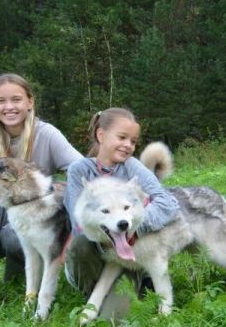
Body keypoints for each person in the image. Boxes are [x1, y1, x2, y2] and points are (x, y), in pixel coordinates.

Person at [0, 74, 82, 315]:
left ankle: (25, 278)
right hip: (1, 214)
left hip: (38, 218)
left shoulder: (47, 133)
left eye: (16, 99)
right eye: (1, 101)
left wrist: (57, 187)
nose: (9, 107)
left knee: (15, 232)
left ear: (30, 101)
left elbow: (80, 168)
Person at [63, 108, 179, 311]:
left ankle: (137, 285)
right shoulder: (79, 170)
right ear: (101, 135)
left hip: (130, 248)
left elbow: (167, 203)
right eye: (122, 137)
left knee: (142, 228)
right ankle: (95, 293)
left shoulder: (132, 166)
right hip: (94, 252)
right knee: (80, 241)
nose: (128, 145)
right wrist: (109, 238)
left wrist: (135, 228)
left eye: (133, 141)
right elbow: (78, 221)